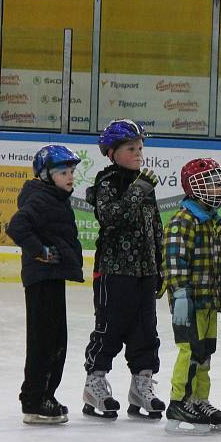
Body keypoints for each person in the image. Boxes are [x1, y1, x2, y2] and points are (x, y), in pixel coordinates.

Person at [82, 119, 167, 420]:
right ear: (112, 152)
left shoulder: (145, 185)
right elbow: (110, 218)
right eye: (131, 148)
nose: (138, 153)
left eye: (141, 148)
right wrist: (137, 190)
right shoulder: (107, 183)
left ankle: (141, 385)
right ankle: (95, 382)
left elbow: (155, 226)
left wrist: (160, 265)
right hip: (114, 272)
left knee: (145, 331)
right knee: (110, 328)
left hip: (145, 273)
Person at [7, 145, 84, 424]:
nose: (70, 177)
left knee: (56, 339)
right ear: (46, 175)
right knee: (43, 340)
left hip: (51, 277)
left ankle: (45, 395)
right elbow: (17, 227)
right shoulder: (41, 199)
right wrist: (41, 251)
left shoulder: (54, 197)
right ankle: (34, 399)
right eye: (63, 172)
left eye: (72, 172)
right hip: (41, 278)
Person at [161, 158, 221, 435]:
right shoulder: (183, 220)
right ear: (195, 188)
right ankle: (180, 400)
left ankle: (199, 399)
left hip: (208, 302)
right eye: (211, 184)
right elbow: (173, 258)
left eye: (218, 184)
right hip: (187, 302)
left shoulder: (214, 222)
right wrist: (179, 293)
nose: (217, 189)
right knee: (189, 351)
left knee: (205, 353)